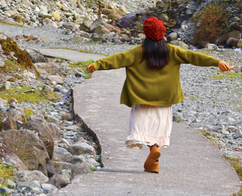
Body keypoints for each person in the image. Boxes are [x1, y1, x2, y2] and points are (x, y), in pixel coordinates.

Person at [87, 16, 232, 174]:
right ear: (163, 33)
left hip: (142, 99)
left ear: (145, 33)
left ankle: (153, 149)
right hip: (164, 99)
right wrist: (216, 62)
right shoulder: (172, 51)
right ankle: (153, 163)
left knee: (142, 129)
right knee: (157, 131)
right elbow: (194, 57)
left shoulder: (138, 52)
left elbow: (117, 59)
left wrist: (97, 65)